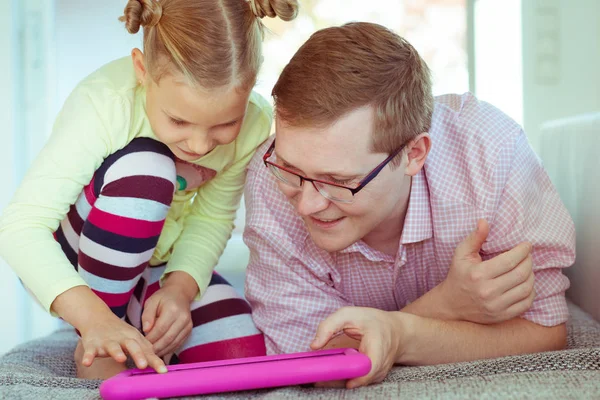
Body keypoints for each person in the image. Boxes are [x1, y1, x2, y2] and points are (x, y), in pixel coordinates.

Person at [243, 22, 576, 388]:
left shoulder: (490, 156)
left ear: (414, 154)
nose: (306, 205)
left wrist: (400, 333)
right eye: (290, 169)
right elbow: (308, 363)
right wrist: (444, 306)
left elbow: (545, 330)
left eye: (338, 181)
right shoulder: (266, 175)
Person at [0, 0, 298, 380]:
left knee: (240, 354)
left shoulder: (255, 123)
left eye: (225, 123)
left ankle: (137, 323)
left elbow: (211, 218)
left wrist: (179, 290)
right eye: (178, 120)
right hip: (75, 258)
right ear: (142, 70)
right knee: (150, 167)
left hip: (155, 265)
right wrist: (96, 320)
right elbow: (20, 228)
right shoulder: (105, 102)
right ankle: (104, 335)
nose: (200, 145)